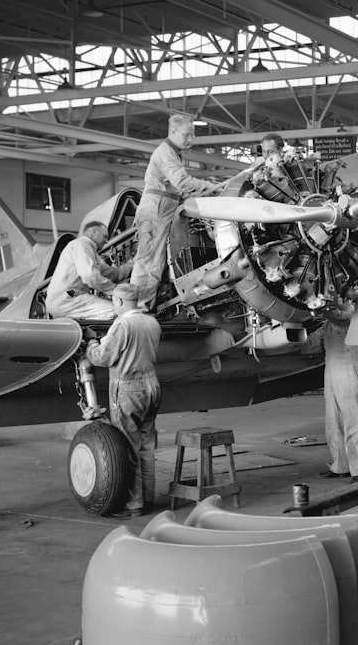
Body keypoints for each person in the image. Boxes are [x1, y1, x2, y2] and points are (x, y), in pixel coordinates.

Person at [129, 114, 261, 310]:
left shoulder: (173, 153)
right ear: (173, 132)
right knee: (150, 263)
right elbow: (181, 182)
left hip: (164, 207)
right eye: (186, 135)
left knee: (155, 262)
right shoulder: (165, 152)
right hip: (156, 209)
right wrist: (212, 187)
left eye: (192, 136)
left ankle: (142, 305)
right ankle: (137, 308)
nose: (190, 140)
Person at [84, 283, 162, 518]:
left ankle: (134, 505)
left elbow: (102, 357)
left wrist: (90, 342)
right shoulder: (152, 322)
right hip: (152, 387)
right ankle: (148, 499)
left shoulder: (122, 324)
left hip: (129, 389)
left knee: (129, 448)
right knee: (147, 447)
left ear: (117, 302)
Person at [46, 221, 131, 320]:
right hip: (67, 300)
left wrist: (132, 264)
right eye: (105, 236)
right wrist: (116, 290)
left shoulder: (89, 252)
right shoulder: (82, 245)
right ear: (93, 232)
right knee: (121, 313)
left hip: (66, 300)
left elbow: (113, 274)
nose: (106, 241)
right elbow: (90, 276)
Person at [320, 312, 358, 483]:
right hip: (330, 370)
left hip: (349, 369)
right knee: (333, 423)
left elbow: (342, 319)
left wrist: (318, 308)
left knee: (353, 422)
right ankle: (340, 466)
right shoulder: (326, 323)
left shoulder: (352, 313)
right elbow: (309, 343)